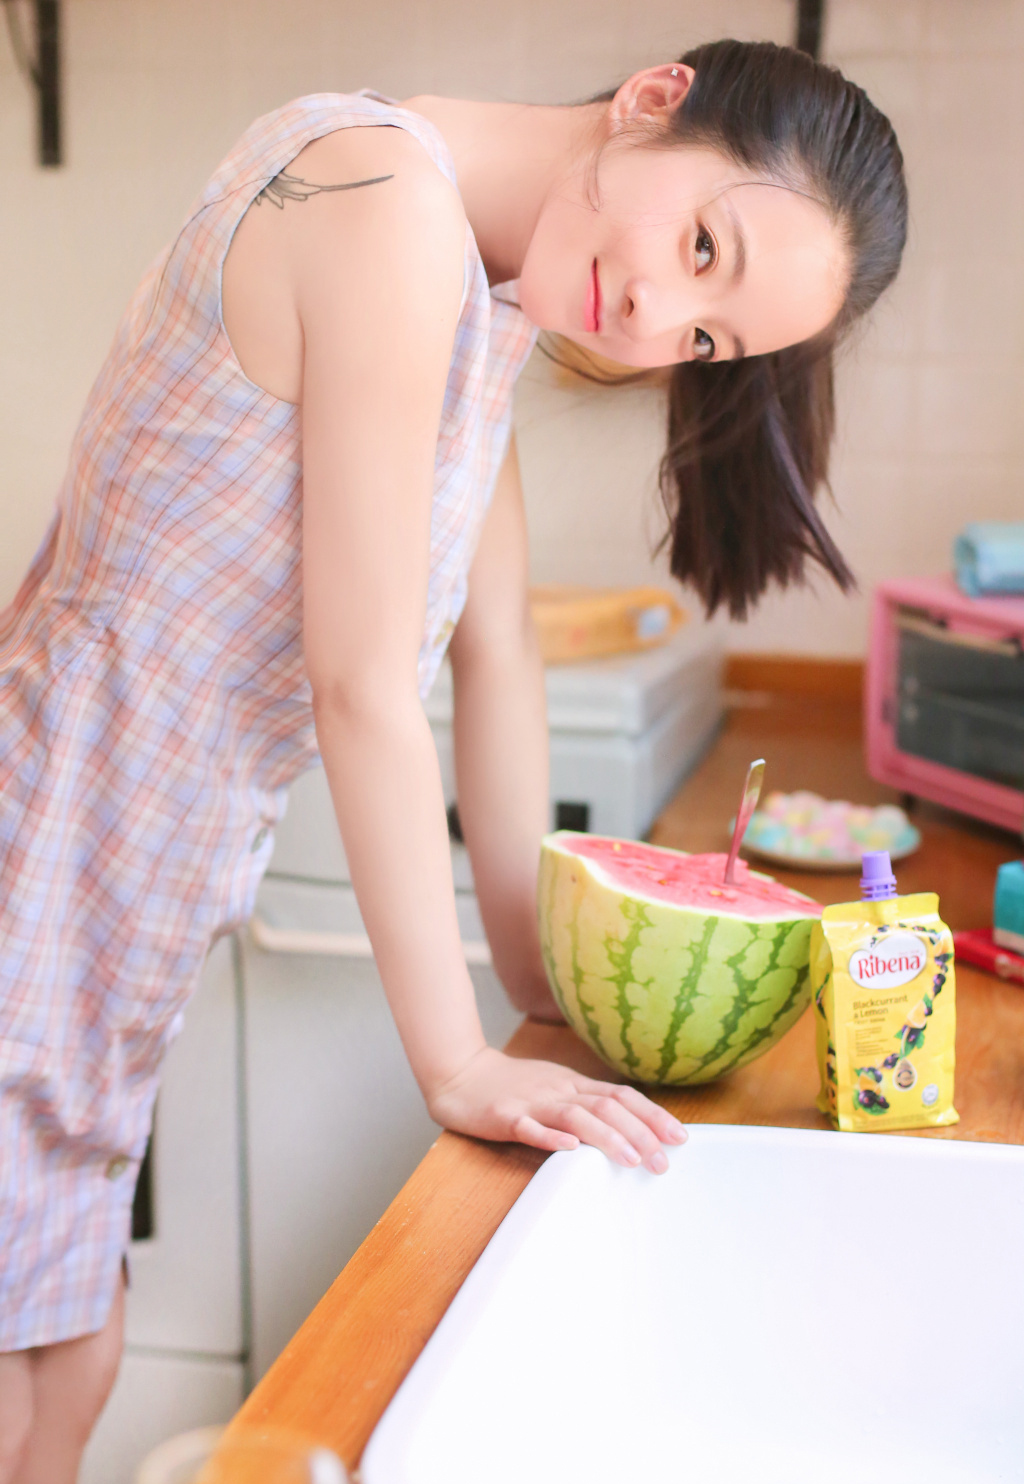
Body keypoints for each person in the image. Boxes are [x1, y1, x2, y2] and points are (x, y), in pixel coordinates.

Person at [0, 37, 906, 1483]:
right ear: (655, 98)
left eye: (711, 340)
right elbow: (362, 681)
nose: (661, 322)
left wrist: (544, 993)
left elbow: (500, 660)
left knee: (69, 1368)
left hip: (117, 918)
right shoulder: (383, 205)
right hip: (35, 875)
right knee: (32, 1390)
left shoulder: (474, 298)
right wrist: (458, 1064)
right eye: (699, 246)